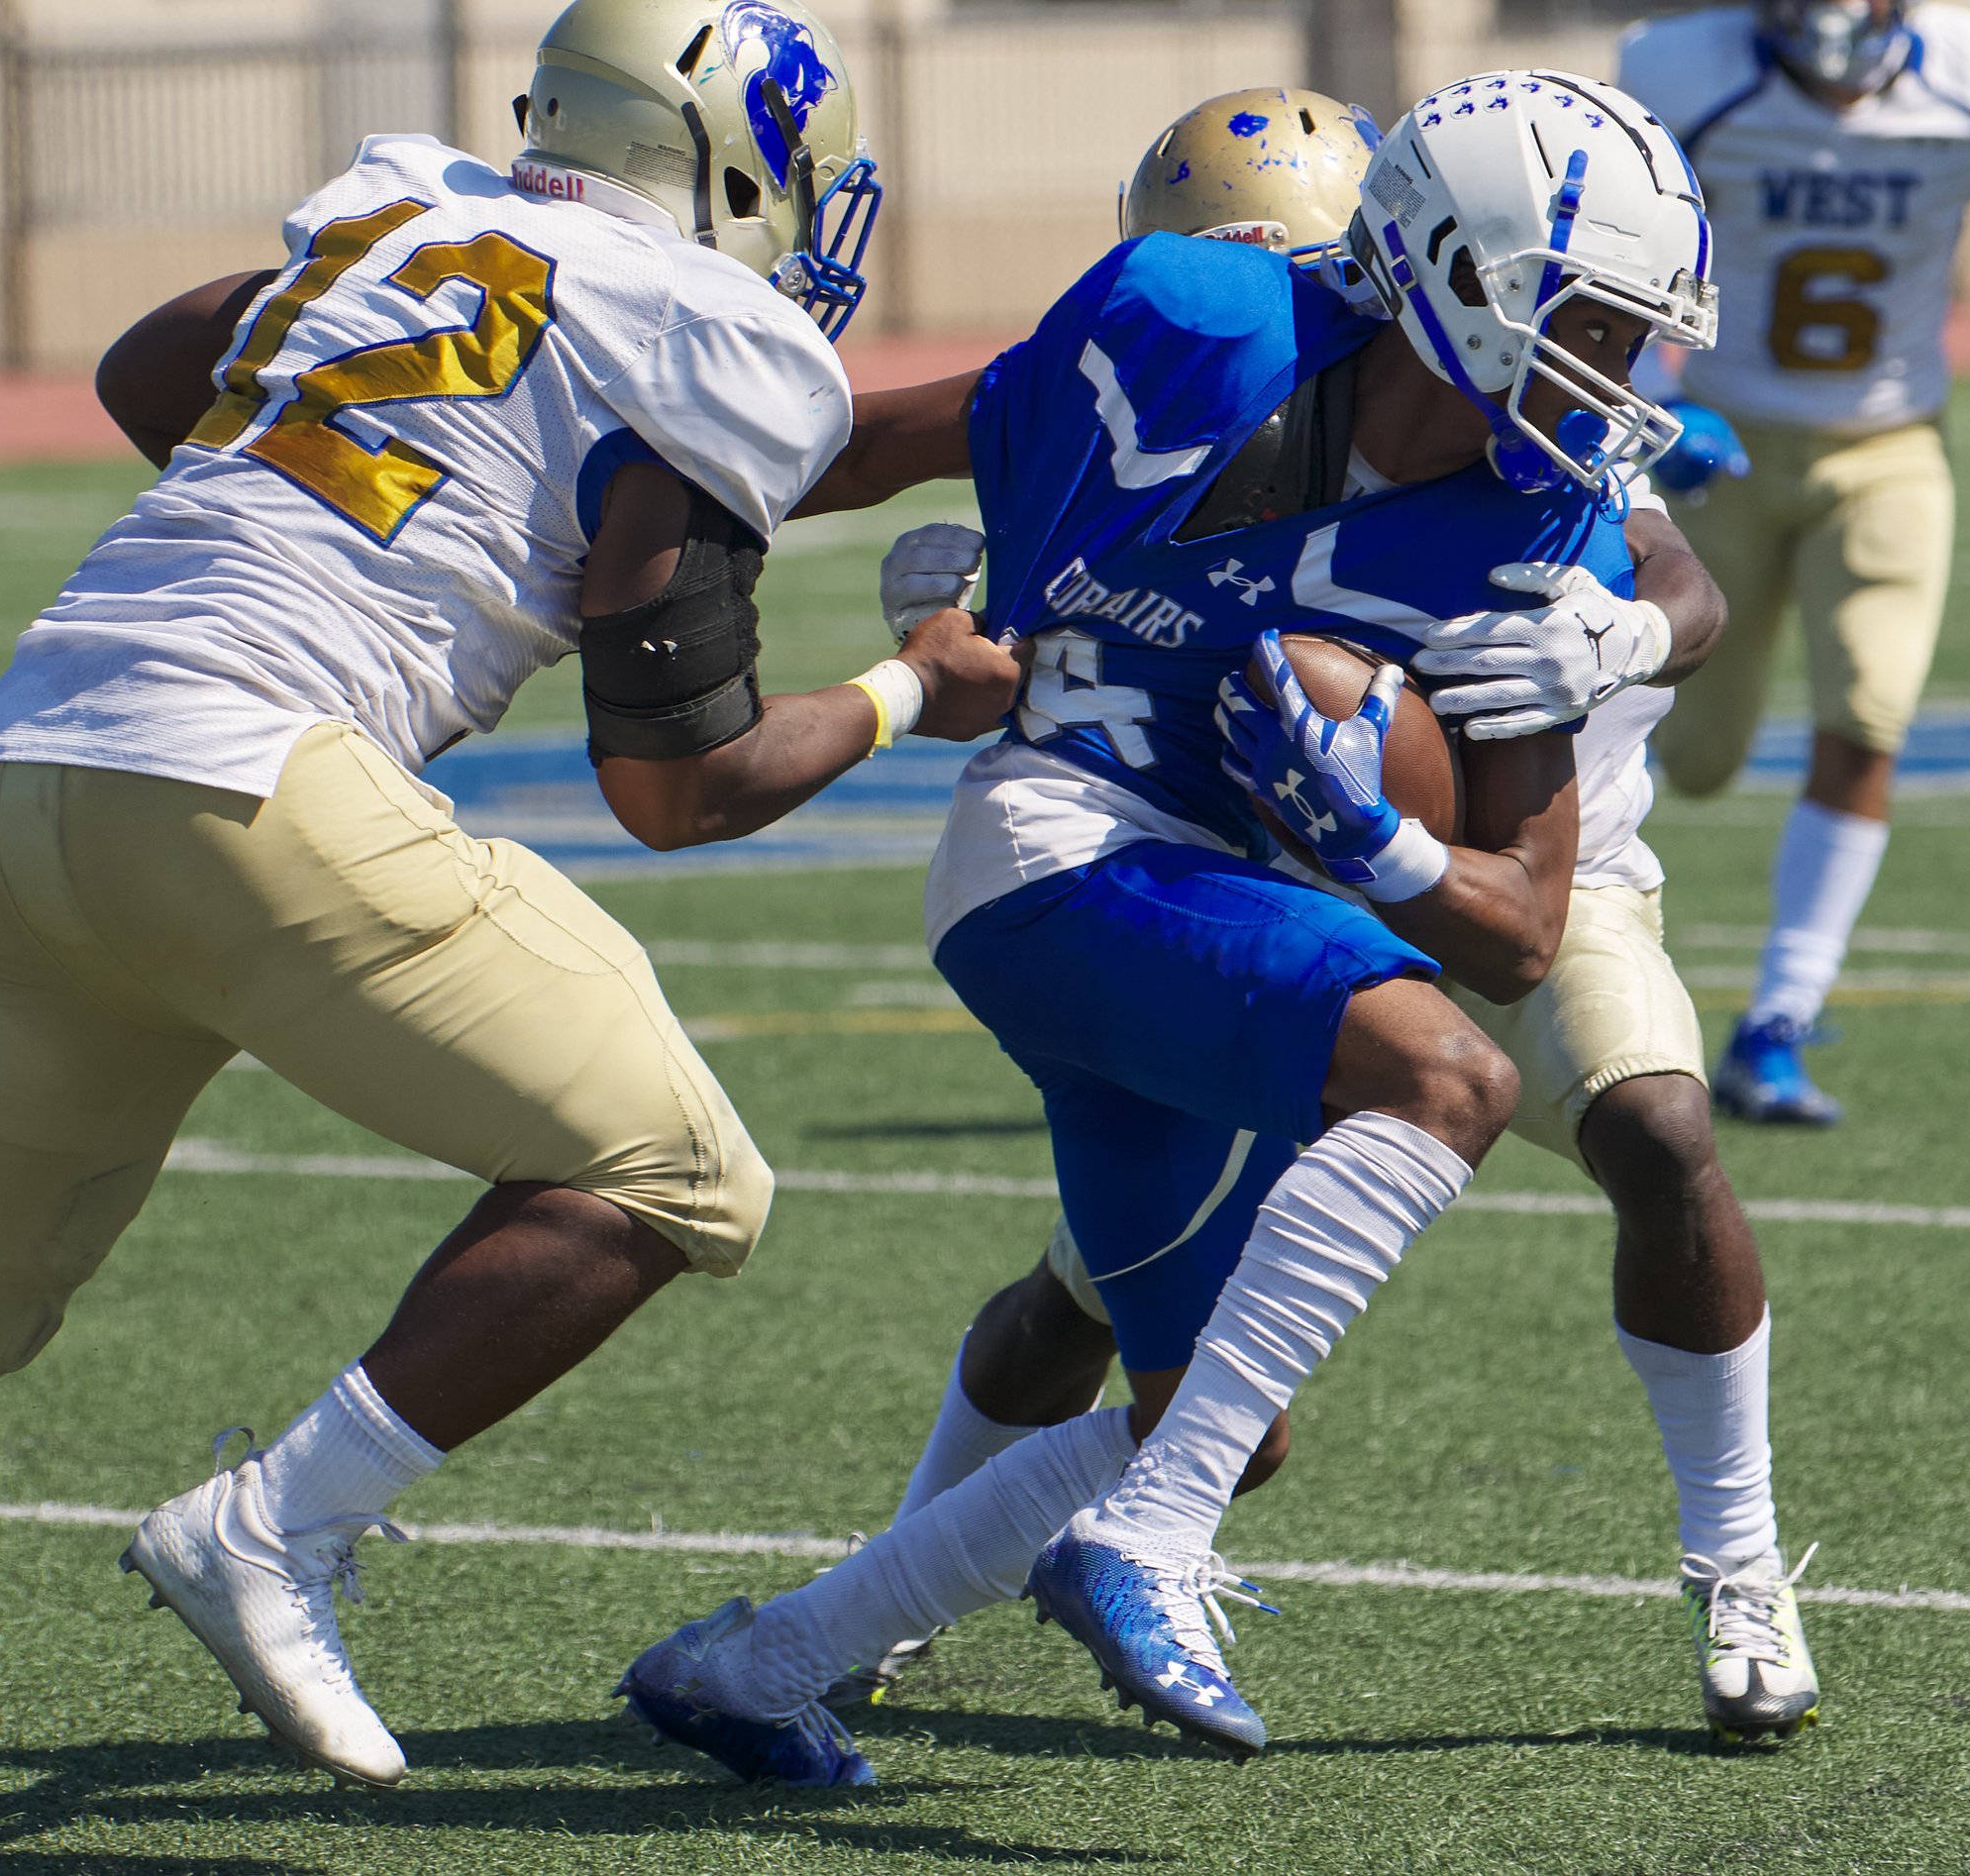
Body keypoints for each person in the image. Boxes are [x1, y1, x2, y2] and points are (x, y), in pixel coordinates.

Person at [0, 0, 1022, 1794]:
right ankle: (277, 1522)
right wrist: (916, 689)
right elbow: (679, 782)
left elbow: (148, 370)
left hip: (32, 757)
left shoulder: (411, 220)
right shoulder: (701, 328)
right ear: (711, 162)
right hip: (250, 776)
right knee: (678, 1164)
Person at [618, 70, 1731, 1780]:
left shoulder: (1549, 529)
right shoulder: (1195, 315)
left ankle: (762, 1662)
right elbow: (898, 446)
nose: (1614, 368)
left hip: (1202, 885)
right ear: (1445, 266)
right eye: (1581, 317)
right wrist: (654, 547)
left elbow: (1517, 930)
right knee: (1443, 1081)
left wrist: (1381, 843)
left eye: (1633, 329)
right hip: (1057, 846)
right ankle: (1151, 1532)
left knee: (1220, 1406)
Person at [1619, 0, 1970, 1125]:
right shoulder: (1688, 74)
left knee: (1867, 716)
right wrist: (1661, 400)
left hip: (1889, 442)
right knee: (1691, 752)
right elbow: (1618, 256)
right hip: (1726, 444)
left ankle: (1777, 1019)